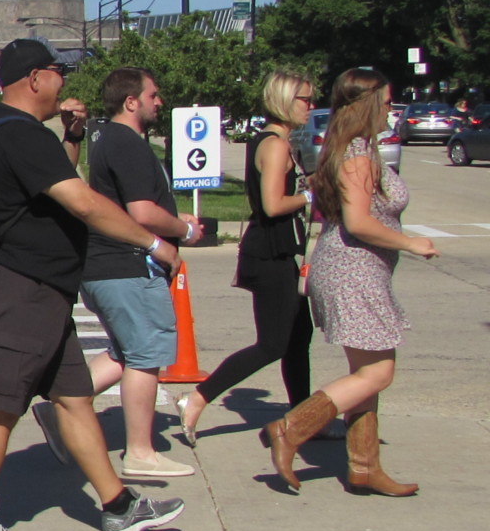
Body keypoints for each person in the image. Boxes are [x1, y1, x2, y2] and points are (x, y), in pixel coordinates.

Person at [0, 39, 187, 531]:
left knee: (75, 400)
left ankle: (118, 507)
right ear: (34, 79)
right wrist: (153, 242)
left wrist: (70, 140)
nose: (64, 82)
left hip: (42, 292)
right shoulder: (21, 136)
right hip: (17, 291)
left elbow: (48, 190)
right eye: (58, 72)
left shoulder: (8, 130)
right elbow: (82, 202)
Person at [264, 68, 438, 495]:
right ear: (369, 105)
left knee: (365, 372)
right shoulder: (357, 154)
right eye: (388, 102)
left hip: (354, 270)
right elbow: (359, 222)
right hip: (353, 271)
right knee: (379, 372)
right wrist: (410, 243)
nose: (392, 110)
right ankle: (290, 428)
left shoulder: (355, 149)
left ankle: (364, 467)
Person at [50, 68, 197, 478]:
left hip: (104, 266)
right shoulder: (126, 141)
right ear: (131, 101)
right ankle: (140, 452)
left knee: (126, 351)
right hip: (127, 265)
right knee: (146, 355)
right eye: (153, 94)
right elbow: (141, 212)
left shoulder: (104, 139)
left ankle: (60, 408)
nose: (159, 101)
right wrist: (183, 230)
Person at [181, 72, 319, 442]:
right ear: (286, 101)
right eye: (305, 99)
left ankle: (302, 420)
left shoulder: (276, 141)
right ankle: (197, 398)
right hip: (269, 255)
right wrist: (310, 197)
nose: (311, 106)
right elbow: (274, 205)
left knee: (298, 337)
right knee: (273, 343)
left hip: (278, 253)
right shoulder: (274, 145)